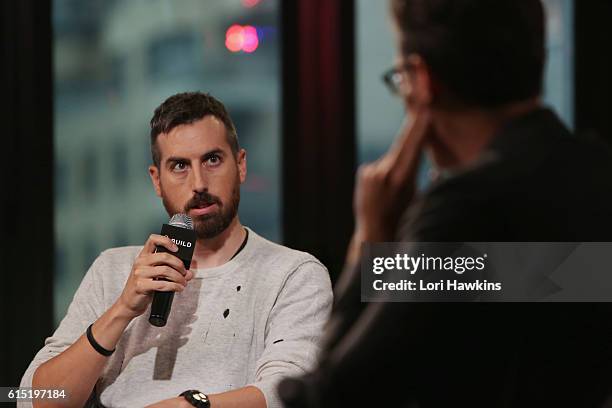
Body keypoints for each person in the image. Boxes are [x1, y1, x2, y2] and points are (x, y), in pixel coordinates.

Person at [279, 0, 612, 407]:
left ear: (422, 81)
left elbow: (322, 396)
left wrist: (371, 242)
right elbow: (535, 278)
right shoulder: (597, 175)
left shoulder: (465, 210)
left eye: (401, 77)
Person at [20, 92, 333, 408]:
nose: (198, 183)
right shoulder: (113, 268)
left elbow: (286, 393)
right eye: (180, 165)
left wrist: (192, 405)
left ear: (240, 165)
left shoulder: (293, 273)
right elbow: (32, 399)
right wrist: (123, 309)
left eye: (212, 160)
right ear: (157, 181)